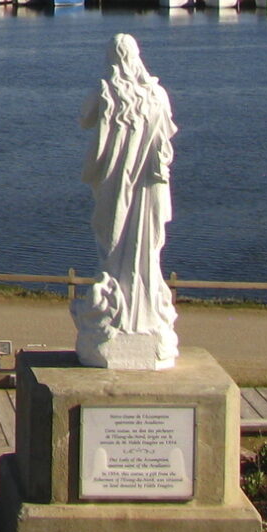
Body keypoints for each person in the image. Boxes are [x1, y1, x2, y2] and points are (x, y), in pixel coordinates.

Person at [72, 33, 180, 368]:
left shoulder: (106, 91)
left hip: (116, 187)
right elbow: (166, 138)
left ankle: (123, 316)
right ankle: (144, 314)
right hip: (148, 188)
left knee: (114, 243)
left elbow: (84, 118)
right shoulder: (157, 94)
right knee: (146, 248)